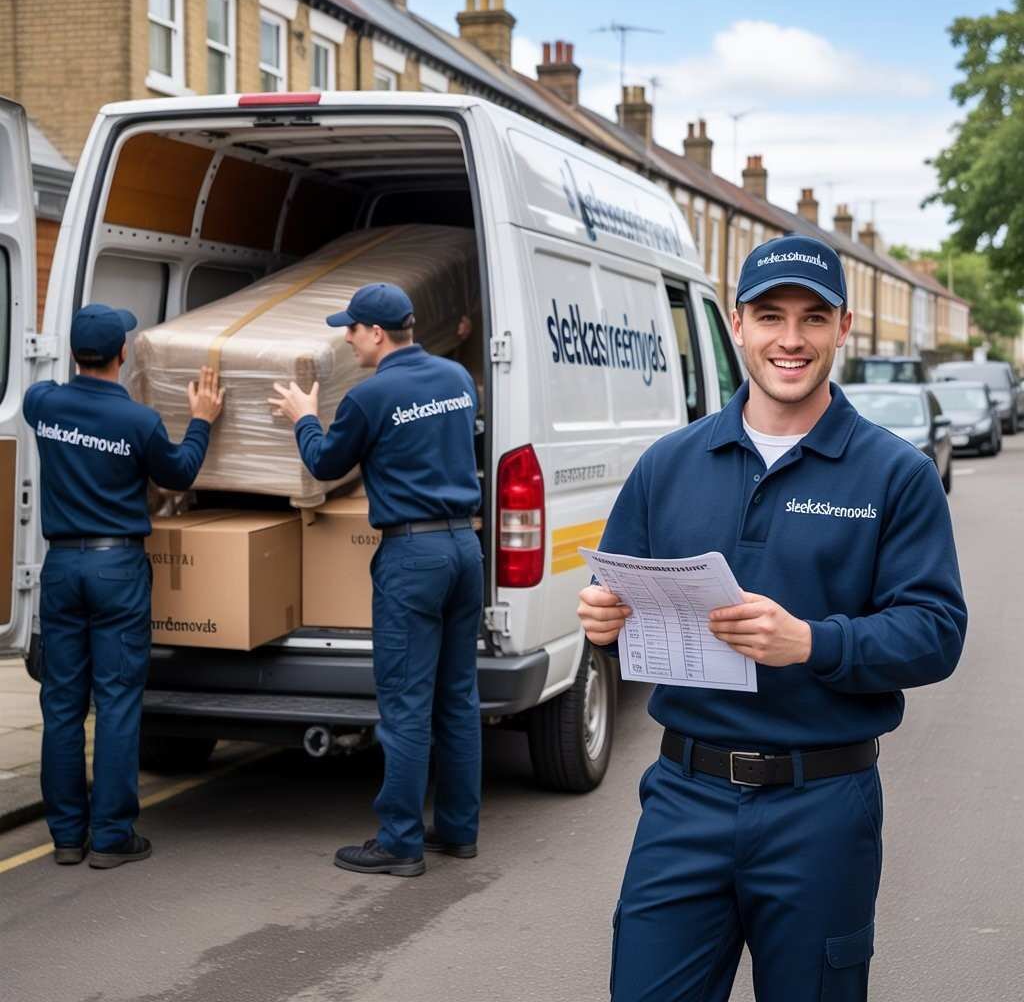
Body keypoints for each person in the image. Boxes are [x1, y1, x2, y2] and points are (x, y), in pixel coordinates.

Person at [577, 234, 967, 1001]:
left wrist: (811, 643)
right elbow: (619, 600)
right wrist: (600, 621)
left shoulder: (897, 474)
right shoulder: (669, 463)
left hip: (821, 807)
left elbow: (936, 633)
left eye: (813, 318)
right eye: (770, 316)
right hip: (684, 799)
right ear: (737, 326)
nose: (791, 340)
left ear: (844, 329)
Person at [268, 281, 483, 878]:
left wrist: (305, 418)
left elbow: (325, 464)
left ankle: (399, 842)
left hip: (412, 556)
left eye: (352, 327)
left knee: (406, 703)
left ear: (377, 334)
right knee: (457, 697)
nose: (346, 336)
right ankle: (458, 830)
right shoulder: (456, 380)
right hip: (465, 548)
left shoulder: (371, 396)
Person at [23, 303, 224, 869]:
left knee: (62, 705)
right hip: (117, 570)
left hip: (61, 569)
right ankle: (112, 836)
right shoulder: (138, 422)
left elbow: (40, 391)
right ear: (122, 355)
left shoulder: (44, 406)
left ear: (73, 356)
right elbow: (179, 472)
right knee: (115, 701)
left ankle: (66, 836)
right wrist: (203, 418)